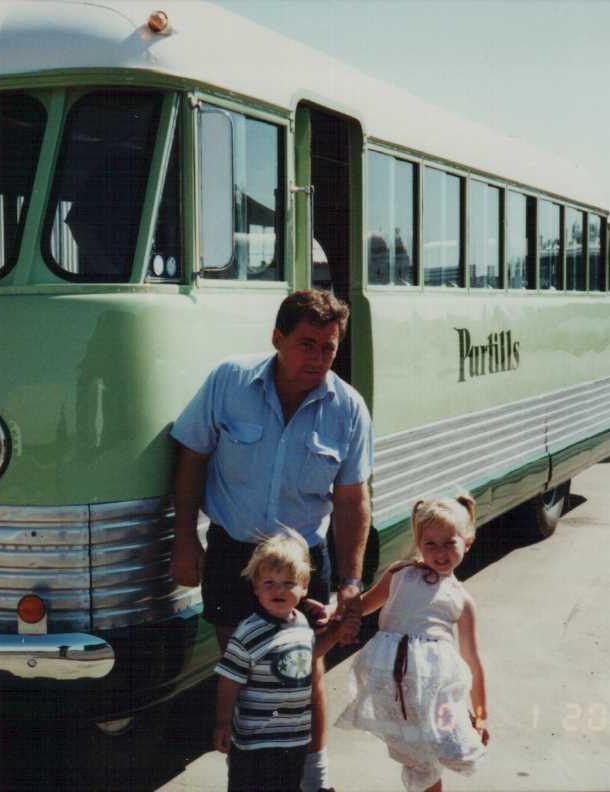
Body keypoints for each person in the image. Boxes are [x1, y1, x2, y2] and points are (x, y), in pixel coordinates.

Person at [170, 289, 373, 792]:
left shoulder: (347, 408)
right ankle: (249, 776)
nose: (318, 358)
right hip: (235, 556)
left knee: (305, 669)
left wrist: (350, 581)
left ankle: (312, 779)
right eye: (307, 344)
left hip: (303, 562)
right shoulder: (228, 382)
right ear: (277, 338)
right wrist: (183, 540)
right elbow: (191, 457)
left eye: (329, 348)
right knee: (241, 668)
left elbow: (351, 500)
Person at [334, 495, 490, 792]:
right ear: (419, 543)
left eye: (449, 543)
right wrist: (335, 614)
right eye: (430, 543)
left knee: (452, 745)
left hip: (435, 688)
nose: (440, 552)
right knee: (415, 757)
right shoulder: (400, 575)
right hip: (395, 687)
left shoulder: (461, 599)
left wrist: (480, 714)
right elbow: (362, 606)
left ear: (467, 542)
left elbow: (472, 660)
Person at [214, 534, 361, 792]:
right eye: (269, 582)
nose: (278, 590)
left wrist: (335, 634)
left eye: (288, 583)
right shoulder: (248, 632)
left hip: (293, 738)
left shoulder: (301, 622)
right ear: (256, 588)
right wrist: (223, 722)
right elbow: (229, 680)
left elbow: (310, 654)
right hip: (254, 742)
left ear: (304, 587)